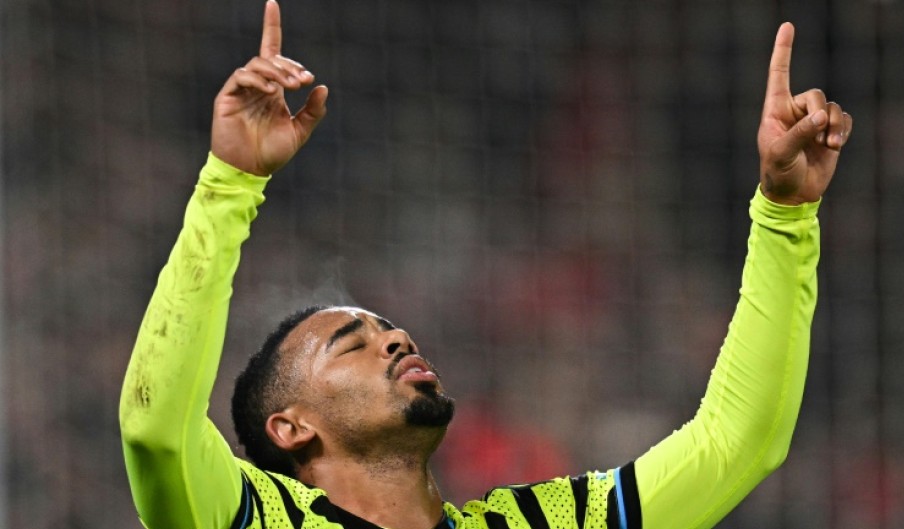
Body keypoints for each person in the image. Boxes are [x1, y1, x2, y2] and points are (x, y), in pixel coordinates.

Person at [119, 2, 853, 528]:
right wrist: (229, 184)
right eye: (354, 342)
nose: (396, 339)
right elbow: (156, 427)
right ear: (289, 427)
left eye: (389, 329)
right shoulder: (249, 518)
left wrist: (785, 216)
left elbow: (738, 440)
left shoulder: (542, 522)